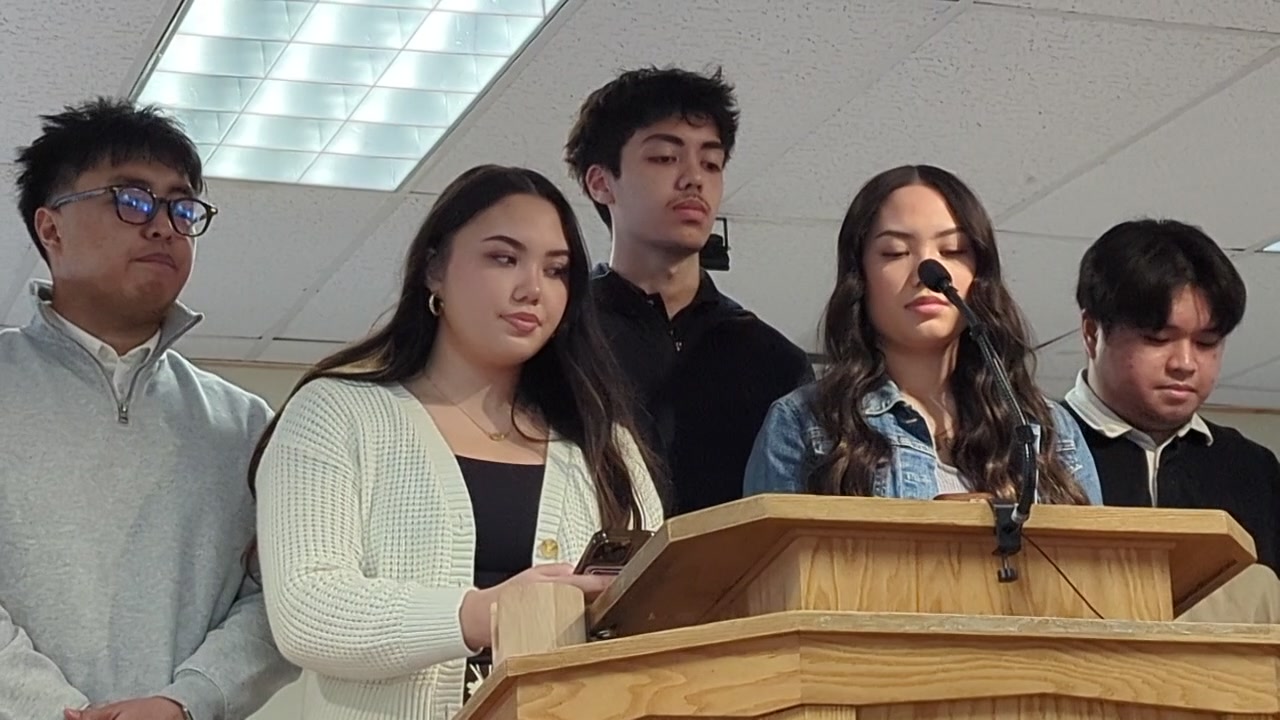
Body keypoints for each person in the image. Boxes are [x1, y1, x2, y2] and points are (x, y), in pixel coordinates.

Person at [251, 164, 665, 720]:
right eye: (503, 258)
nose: (532, 289)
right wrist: (481, 613)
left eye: (556, 270)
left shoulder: (603, 441)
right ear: (434, 270)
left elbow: (656, 610)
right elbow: (307, 611)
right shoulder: (337, 413)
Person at [0, 98, 296, 720]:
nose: (164, 226)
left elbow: (280, 599)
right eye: (131, 199)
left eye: (182, 208)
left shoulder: (244, 424)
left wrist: (186, 701)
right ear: (50, 229)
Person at [743, 165, 1102, 504]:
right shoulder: (804, 423)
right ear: (859, 276)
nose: (927, 272)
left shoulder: (1048, 429)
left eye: (953, 250)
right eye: (895, 252)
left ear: (980, 275)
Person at [564, 66, 813, 517]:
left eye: (711, 163)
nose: (694, 179)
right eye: (665, 158)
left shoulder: (774, 361)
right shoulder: (564, 337)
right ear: (601, 182)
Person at [1063, 219, 1280, 572]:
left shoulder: (1252, 469)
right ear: (1092, 333)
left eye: (1207, 343)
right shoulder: (1026, 452)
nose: (1185, 363)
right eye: (1158, 339)